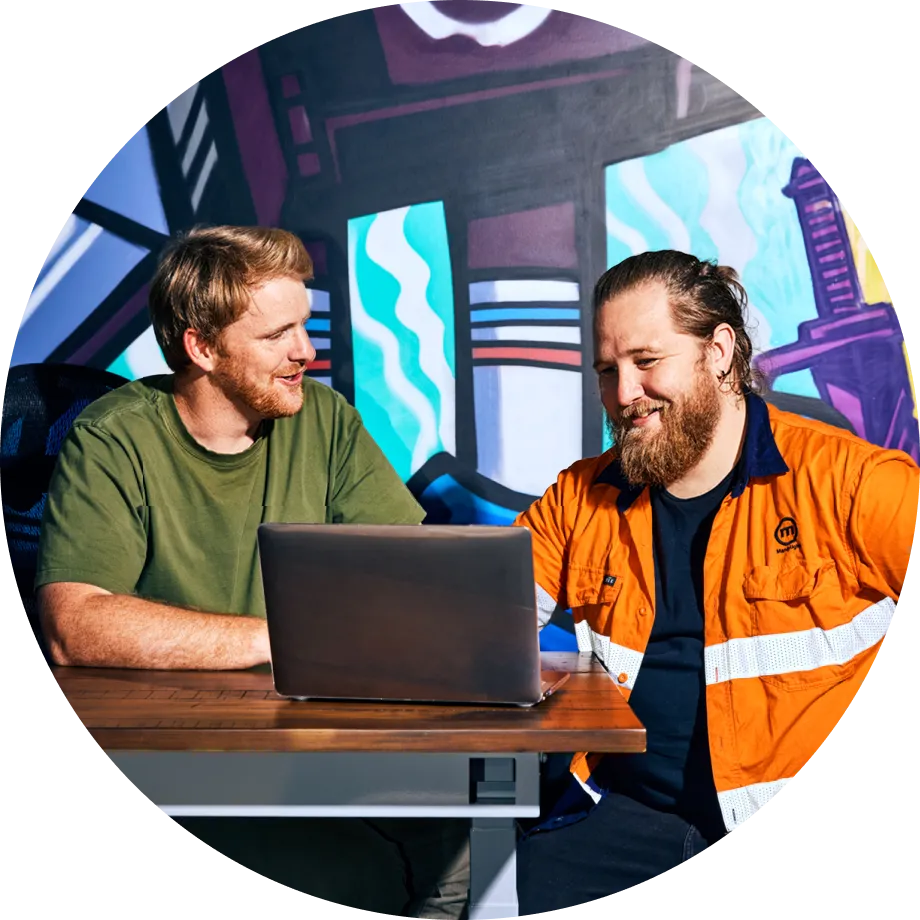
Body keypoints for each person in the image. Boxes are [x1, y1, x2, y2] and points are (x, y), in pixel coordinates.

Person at [34, 225, 470, 919]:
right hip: (180, 762)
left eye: (305, 325)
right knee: (357, 875)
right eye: (277, 336)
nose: (307, 351)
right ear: (201, 347)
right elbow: (74, 623)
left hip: (314, 743)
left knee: (461, 831)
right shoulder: (114, 436)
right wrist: (290, 638)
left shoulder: (322, 418)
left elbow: (409, 578)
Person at [513, 250, 919, 916]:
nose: (622, 394)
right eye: (608, 371)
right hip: (612, 818)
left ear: (720, 351)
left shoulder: (853, 482)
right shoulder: (579, 497)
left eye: (647, 363)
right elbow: (471, 623)